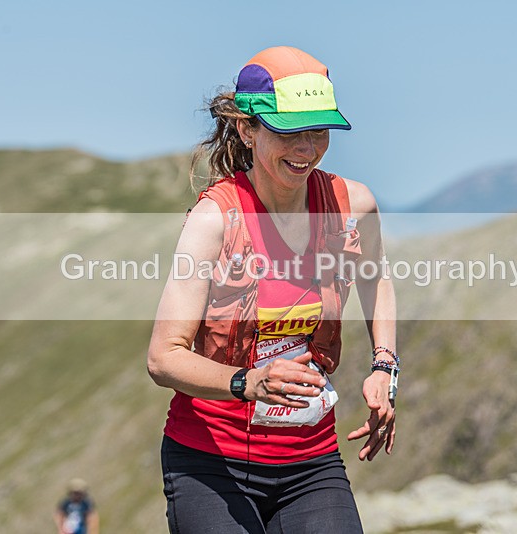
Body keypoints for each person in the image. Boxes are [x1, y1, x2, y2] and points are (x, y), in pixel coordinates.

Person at [147, 46, 398, 534]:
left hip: (311, 461)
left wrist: (384, 366)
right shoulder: (215, 220)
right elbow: (163, 358)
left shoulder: (353, 205)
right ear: (247, 129)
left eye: (318, 131)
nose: (306, 149)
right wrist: (248, 382)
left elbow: (375, 277)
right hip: (209, 464)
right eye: (288, 132)